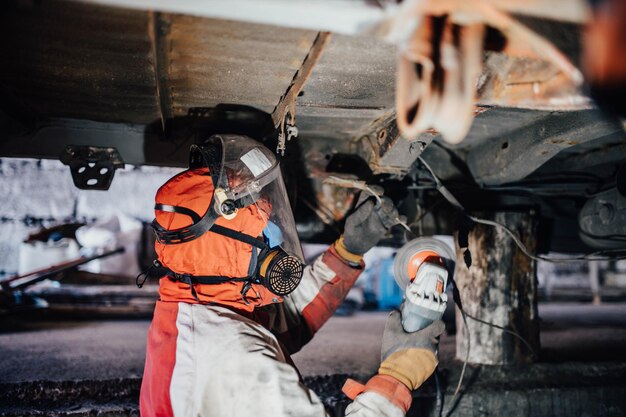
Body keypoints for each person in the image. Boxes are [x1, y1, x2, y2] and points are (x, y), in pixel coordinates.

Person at [139, 134, 444, 417]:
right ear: (228, 247)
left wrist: (348, 251)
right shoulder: (238, 355)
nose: (273, 236)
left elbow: (289, 319)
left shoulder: (198, 309)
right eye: (261, 227)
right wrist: (398, 376)